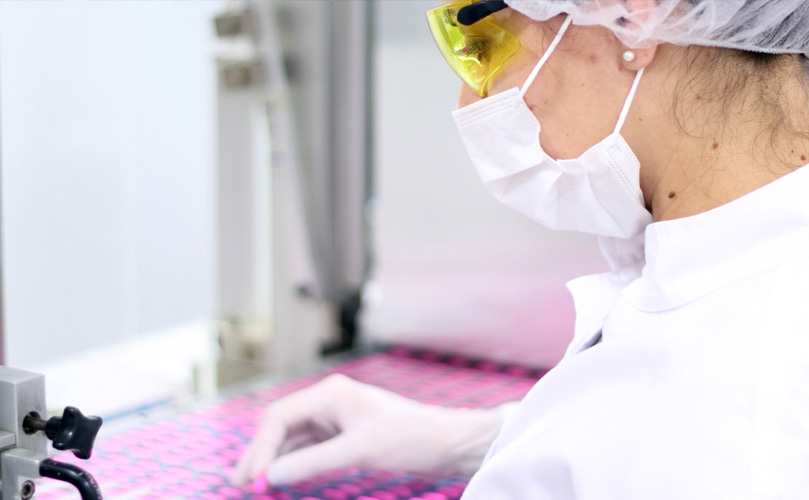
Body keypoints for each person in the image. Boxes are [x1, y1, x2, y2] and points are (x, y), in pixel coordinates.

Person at [232, 0, 809, 497]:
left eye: (478, 43)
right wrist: (482, 440)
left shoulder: (728, 414)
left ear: (634, 18)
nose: (468, 98)